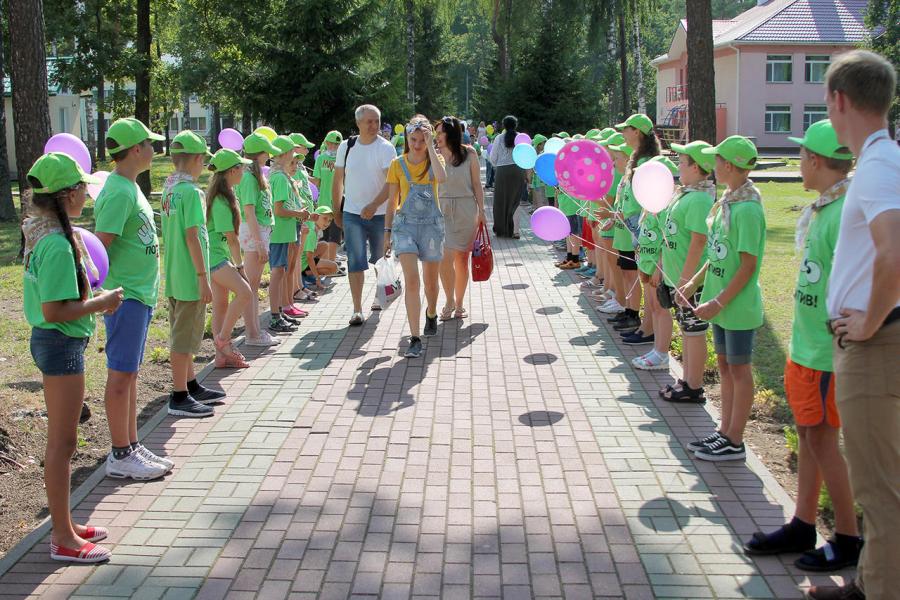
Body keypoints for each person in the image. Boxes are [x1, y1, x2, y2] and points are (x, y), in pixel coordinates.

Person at [743, 119, 861, 573]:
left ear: (814, 160)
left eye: (802, 155)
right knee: (810, 435)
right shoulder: (826, 208)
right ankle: (803, 523)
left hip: (828, 353)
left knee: (823, 440)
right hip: (807, 348)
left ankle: (848, 537)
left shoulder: (845, 213)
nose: (799, 163)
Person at [808, 50, 900, 600]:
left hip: (877, 345)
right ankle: (869, 582)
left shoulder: (879, 167)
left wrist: (870, 321)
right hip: (878, 340)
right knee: (881, 482)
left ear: (839, 100)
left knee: (879, 490)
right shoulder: (882, 162)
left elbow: (894, 250)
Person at [24, 153, 124, 563]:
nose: (88, 194)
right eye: (83, 187)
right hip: (59, 344)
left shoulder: (52, 235)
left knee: (64, 441)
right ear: (68, 195)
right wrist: (102, 302)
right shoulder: (56, 243)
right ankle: (63, 537)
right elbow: (54, 311)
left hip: (60, 344)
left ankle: (65, 523)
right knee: (63, 442)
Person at [678, 135, 766, 462]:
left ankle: (735, 438)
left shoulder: (747, 209)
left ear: (728, 165)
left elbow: (748, 265)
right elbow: (717, 255)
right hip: (721, 304)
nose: (713, 165)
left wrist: (718, 302)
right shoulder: (728, 202)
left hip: (736, 306)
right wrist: (694, 283)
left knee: (739, 370)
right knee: (726, 368)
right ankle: (724, 430)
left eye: (717, 160)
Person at [94, 118, 172, 480]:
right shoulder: (119, 192)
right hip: (125, 297)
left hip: (138, 295)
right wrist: (103, 293)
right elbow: (100, 247)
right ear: (137, 149)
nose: (155, 150)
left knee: (131, 373)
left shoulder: (129, 186)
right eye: (150, 144)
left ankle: (131, 445)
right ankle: (120, 453)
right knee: (121, 374)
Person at [161, 130, 221, 418]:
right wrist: (202, 277)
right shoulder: (192, 193)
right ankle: (179, 395)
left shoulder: (169, 189)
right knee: (184, 339)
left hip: (174, 274)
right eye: (203, 161)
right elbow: (192, 236)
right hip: (189, 277)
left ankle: (190, 383)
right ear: (197, 159)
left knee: (182, 333)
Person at [382, 116, 448, 358]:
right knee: (412, 281)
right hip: (405, 227)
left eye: (422, 140)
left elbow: (442, 178)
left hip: (432, 227)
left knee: (431, 282)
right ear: (407, 139)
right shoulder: (397, 164)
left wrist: (431, 147)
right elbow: (392, 202)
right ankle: (415, 337)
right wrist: (387, 233)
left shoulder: (436, 160)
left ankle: (431, 312)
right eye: (414, 140)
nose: (418, 145)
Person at [657, 141, 717, 403]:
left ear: (696, 167)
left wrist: (686, 280)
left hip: (690, 282)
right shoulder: (686, 194)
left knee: (694, 332)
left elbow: (698, 241)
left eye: (682, 162)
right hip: (677, 278)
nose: (678, 166)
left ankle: (694, 386)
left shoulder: (700, 199)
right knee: (686, 330)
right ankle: (686, 380)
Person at [333, 104, 396, 326]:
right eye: (369, 121)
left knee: (380, 260)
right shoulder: (346, 147)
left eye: (376, 121)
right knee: (355, 260)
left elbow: (392, 183)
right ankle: (357, 309)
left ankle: (379, 296)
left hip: (380, 214)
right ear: (358, 123)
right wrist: (336, 210)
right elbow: (338, 180)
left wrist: (374, 204)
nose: (373, 125)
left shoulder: (386, 148)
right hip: (352, 213)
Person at [606, 114, 661, 334]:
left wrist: (623, 216)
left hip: (640, 224)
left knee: (643, 277)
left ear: (637, 132)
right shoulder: (637, 159)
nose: (622, 133)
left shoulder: (646, 163)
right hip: (630, 223)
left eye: (625, 129)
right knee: (633, 274)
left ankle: (645, 326)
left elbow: (646, 199)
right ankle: (634, 316)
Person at [206, 148, 254, 369]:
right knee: (245, 292)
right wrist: (240, 267)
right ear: (232, 171)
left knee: (221, 305)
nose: (244, 171)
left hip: (217, 256)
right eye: (241, 167)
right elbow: (232, 239)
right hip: (216, 258)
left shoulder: (225, 196)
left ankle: (220, 357)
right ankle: (223, 341)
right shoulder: (221, 201)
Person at [630, 156, 678, 368]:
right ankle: (656, 349)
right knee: (652, 306)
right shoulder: (649, 203)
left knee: (660, 308)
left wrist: (660, 266)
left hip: (656, 265)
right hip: (646, 262)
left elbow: (666, 240)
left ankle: (662, 353)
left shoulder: (666, 205)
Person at [435, 115, 485, 321]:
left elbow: (477, 184)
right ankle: (449, 301)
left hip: (466, 209)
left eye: (440, 132)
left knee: (462, 259)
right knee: (444, 258)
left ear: (451, 134)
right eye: (436, 133)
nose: (437, 137)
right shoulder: (434, 155)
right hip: (442, 210)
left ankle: (460, 303)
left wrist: (482, 211)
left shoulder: (469, 153)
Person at [236, 132, 280, 347]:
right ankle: (252, 334)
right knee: (250, 286)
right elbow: (249, 211)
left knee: (252, 285)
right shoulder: (248, 178)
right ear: (258, 154)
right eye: (266, 152)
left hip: (259, 231)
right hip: (254, 232)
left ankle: (254, 331)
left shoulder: (255, 176)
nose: (269, 156)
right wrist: (259, 243)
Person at [268, 135, 308, 333]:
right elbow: (279, 210)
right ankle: (275, 316)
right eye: (292, 152)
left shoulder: (280, 177)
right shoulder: (280, 178)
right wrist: (299, 214)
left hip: (283, 233)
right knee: (277, 273)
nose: (294, 155)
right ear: (283, 154)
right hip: (279, 234)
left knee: (281, 272)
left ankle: (280, 312)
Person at [489, 115, 526, 238]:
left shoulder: (499, 138)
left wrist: (497, 165)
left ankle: (501, 230)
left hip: (502, 171)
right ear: (516, 125)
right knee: (516, 200)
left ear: (503, 125)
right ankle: (515, 231)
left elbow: (493, 157)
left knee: (500, 200)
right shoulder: (520, 137)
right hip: (518, 170)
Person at [311, 130, 344, 264]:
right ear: (326, 143)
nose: (333, 147)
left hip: (338, 201)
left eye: (336, 144)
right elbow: (316, 181)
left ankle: (331, 263)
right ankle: (326, 264)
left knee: (334, 233)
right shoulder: (321, 159)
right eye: (331, 144)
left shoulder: (343, 159)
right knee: (325, 233)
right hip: (325, 201)